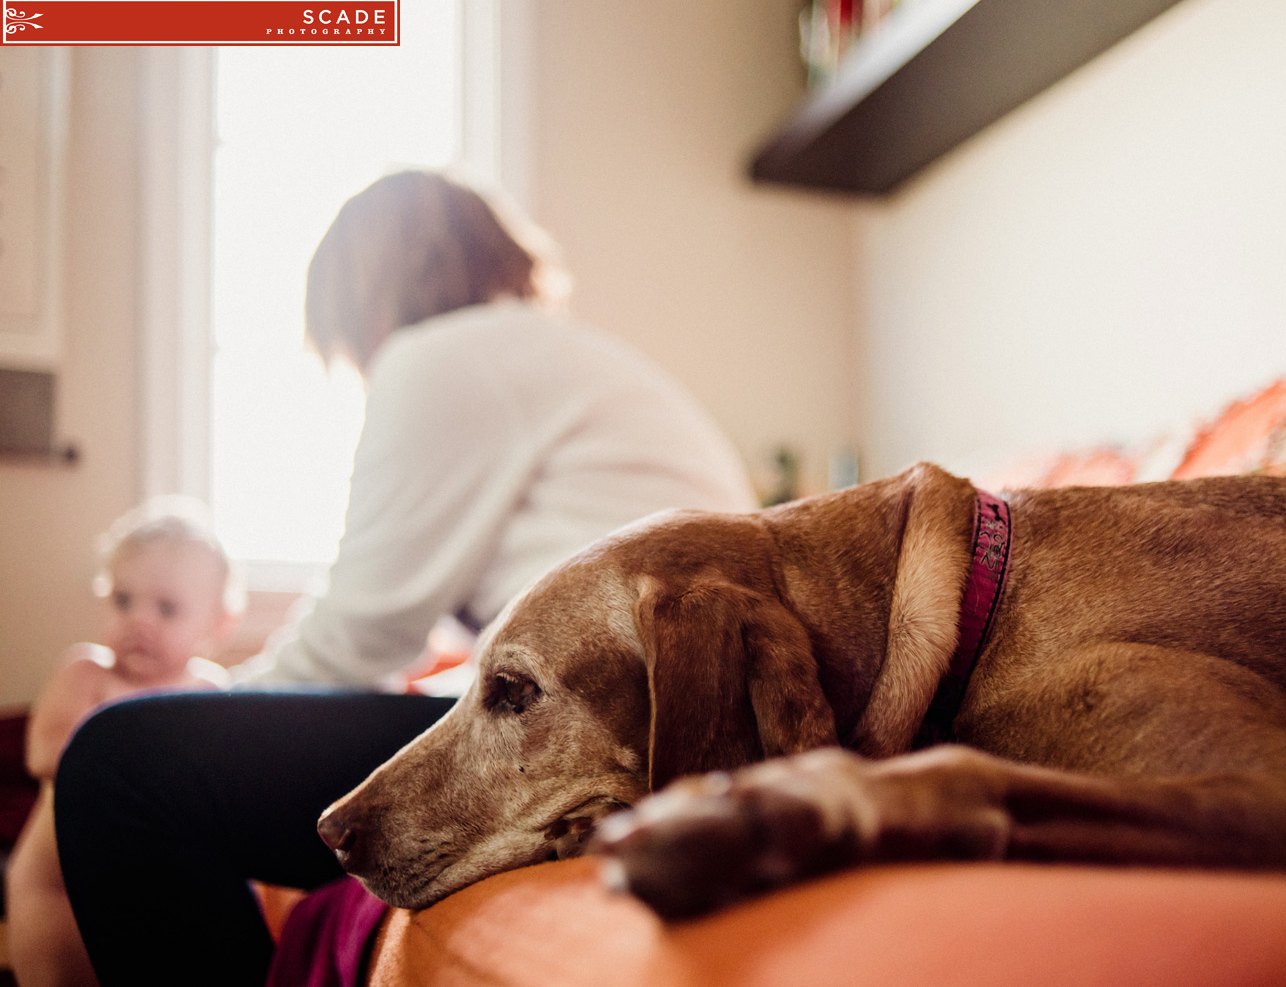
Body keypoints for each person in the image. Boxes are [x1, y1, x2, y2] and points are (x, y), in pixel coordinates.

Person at [51, 172, 757, 986]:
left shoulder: (443, 357)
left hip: (587, 725)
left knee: (120, 768)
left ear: (365, 295)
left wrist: (186, 697)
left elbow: (356, 636)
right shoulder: (564, 356)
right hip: (676, 717)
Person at [7, 499, 240, 987]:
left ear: (217, 624)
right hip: (57, 885)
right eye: (122, 599)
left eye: (167, 608)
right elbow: (42, 753)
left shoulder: (209, 694)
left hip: (159, 885)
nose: (140, 620)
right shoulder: (88, 674)